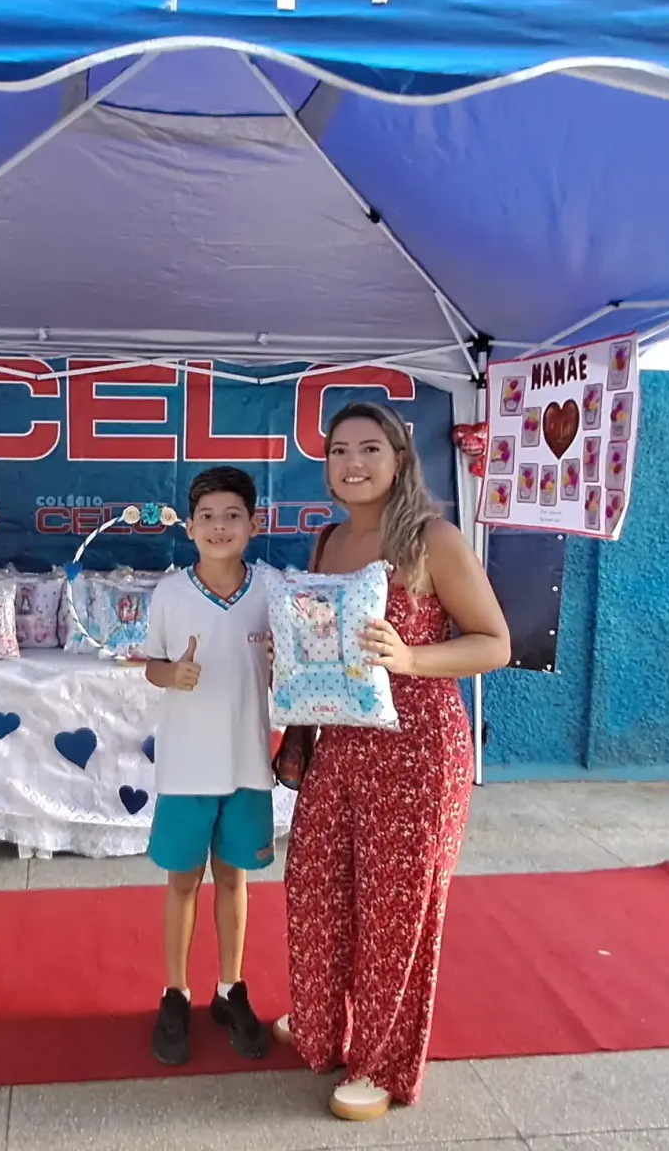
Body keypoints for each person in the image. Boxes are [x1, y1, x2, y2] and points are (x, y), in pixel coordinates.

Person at [277, 401, 510, 1121]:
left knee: (394, 911)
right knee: (315, 887)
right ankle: (321, 1022)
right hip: (341, 745)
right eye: (339, 450)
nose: (353, 463)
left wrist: (411, 658)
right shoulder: (327, 542)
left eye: (370, 448)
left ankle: (381, 1062)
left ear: (400, 460)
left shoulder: (433, 539)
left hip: (418, 752)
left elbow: (495, 642)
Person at [142, 466, 274, 1066]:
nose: (220, 527)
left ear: (254, 523)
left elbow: (294, 664)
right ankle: (175, 992)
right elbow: (152, 665)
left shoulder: (272, 591)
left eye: (232, 516)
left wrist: (284, 659)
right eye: (208, 517)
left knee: (234, 880)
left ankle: (229, 988)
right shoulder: (170, 593)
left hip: (247, 764)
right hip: (186, 768)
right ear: (190, 527)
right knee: (181, 883)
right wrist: (174, 674)